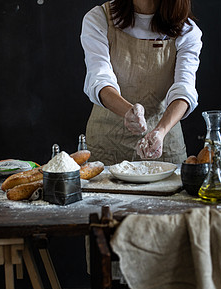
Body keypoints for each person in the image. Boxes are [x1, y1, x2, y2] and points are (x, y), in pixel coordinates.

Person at [80, 0, 202, 165]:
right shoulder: (99, 18)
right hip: (107, 145)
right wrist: (129, 111)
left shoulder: (187, 30)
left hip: (164, 144)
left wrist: (160, 131)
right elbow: (99, 79)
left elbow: (184, 89)